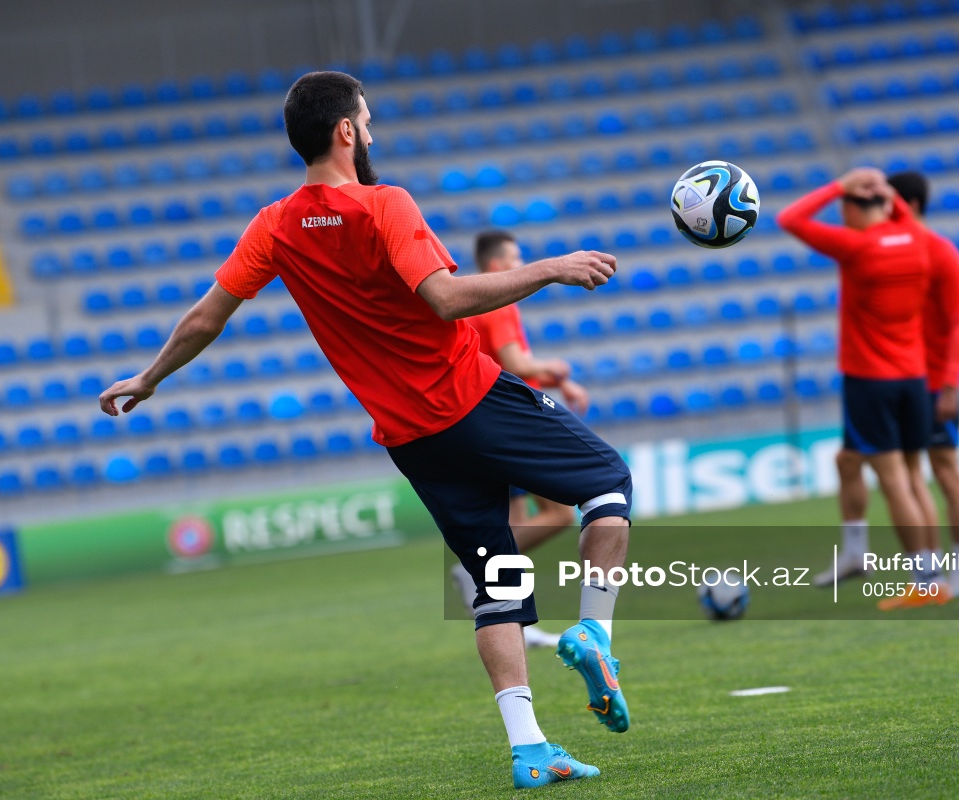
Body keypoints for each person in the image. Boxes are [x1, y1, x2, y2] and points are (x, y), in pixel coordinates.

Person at [98, 71, 631, 790]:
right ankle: (595, 630)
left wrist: (150, 377)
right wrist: (550, 268)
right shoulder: (385, 203)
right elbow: (444, 299)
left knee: (495, 584)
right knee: (607, 485)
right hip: (469, 398)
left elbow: (205, 318)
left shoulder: (274, 224)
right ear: (345, 130)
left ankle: (531, 748)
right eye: (368, 120)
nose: (372, 131)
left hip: (411, 437)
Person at [777, 168, 951, 610]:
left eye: (844, 208)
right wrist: (885, 191)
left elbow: (790, 220)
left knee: (894, 482)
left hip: (870, 381)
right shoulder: (916, 240)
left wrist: (839, 184)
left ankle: (925, 579)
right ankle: (921, 570)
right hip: (915, 378)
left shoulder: (856, 247)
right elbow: (903, 216)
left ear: (855, 208)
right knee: (907, 475)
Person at [820, 172, 959, 597]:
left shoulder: (937, 251)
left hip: (927, 381)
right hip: (893, 375)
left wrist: (949, 384)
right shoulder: (892, 248)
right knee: (848, 461)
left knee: (941, 473)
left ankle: (958, 568)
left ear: (901, 203)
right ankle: (858, 552)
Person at [452, 230, 592, 648]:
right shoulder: (500, 300)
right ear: (497, 265)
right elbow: (514, 362)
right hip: (510, 418)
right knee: (560, 513)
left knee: (514, 519)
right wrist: (555, 368)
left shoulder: (476, 301)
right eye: (515, 259)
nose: (520, 266)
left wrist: (554, 380)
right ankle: (479, 569)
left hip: (485, 417)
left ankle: (516, 620)